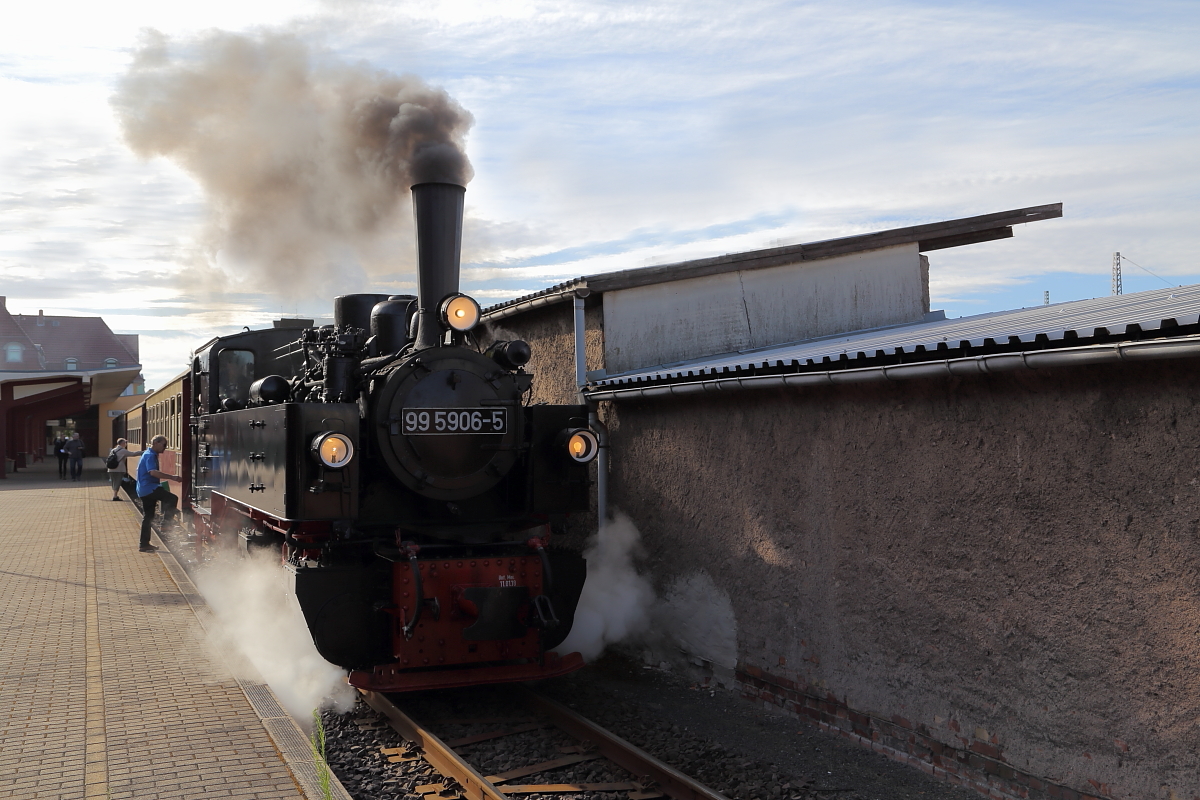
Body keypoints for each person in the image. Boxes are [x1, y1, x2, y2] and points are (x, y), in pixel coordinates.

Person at [135, 435, 182, 553]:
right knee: (172, 498)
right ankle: (165, 524)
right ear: (156, 442)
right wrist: (172, 477)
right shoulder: (150, 455)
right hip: (149, 488)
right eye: (164, 445)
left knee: (148, 517)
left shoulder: (147, 454)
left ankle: (144, 544)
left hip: (143, 489)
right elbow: (153, 473)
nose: (165, 448)